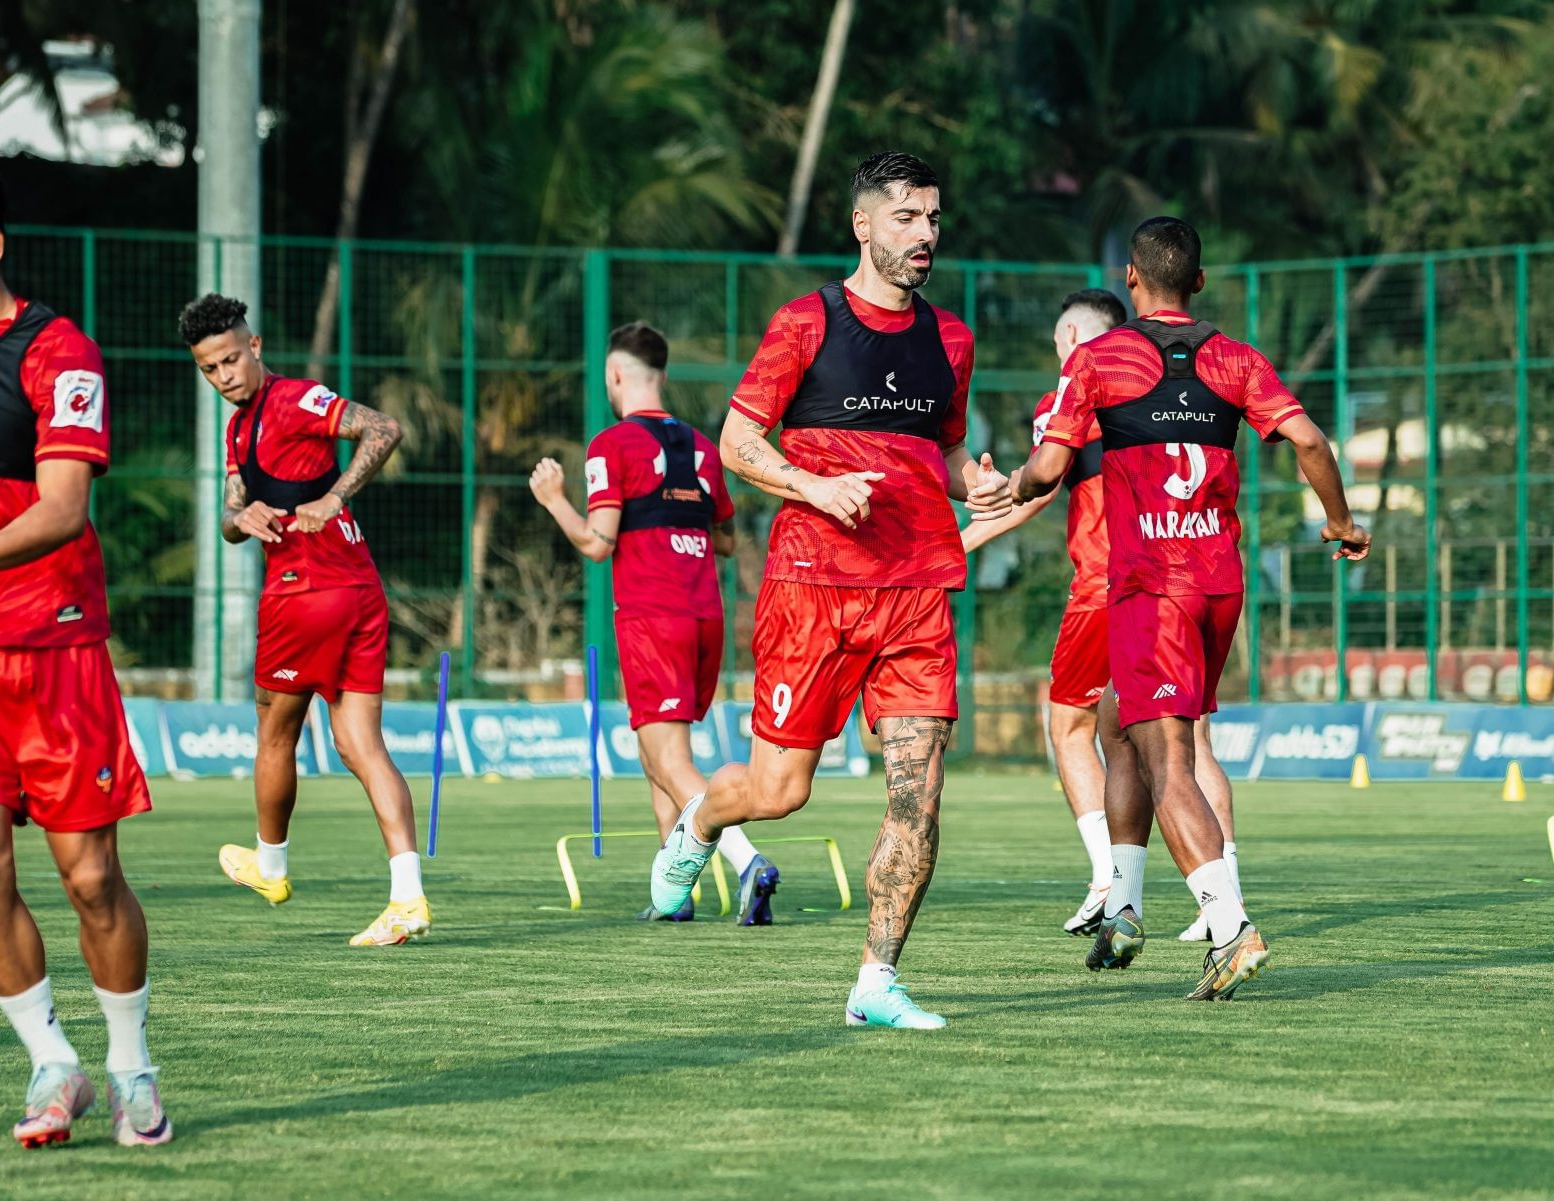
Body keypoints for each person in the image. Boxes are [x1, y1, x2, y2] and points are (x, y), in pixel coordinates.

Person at [647, 151, 1015, 1029]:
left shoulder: (952, 341)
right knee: (780, 790)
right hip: (813, 585)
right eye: (906, 218)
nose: (925, 234)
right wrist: (814, 488)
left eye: (933, 218)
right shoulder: (805, 323)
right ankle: (699, 823)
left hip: (918, 591)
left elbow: (948, 454)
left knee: (917, 796)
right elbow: (737, 441)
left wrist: (982, 482)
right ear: (863, 225)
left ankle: (875, 982)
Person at [1006, 215, 1370, 1000]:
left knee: (1166, 753)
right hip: (1217, 587)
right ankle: (1126, 905)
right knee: (1119, 727)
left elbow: (1050, 463)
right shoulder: (1235, 358)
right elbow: (1309, 441)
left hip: (1151, 587)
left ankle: (1231, 926)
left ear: (1131, 280)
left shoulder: (1101, 361)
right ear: (1198, 282)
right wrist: (1339, 523)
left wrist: (1019, 484)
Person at [0, 151, 168, 1146]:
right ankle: (54, 1065)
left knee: (91, 877)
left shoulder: (61, 352)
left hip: (54, 651)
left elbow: (63, 505)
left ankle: (132, 1063)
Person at [961, 291, 1244, 942]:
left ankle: (1108, 882)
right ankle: (1221, 894)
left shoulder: (1074, 388)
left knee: (1068, 726)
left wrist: (959, 542)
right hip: (1184, 579)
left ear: (1067, 336)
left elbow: (1040, 486)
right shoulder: (1156, 389)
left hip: (1105, 587)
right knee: (1191, 739)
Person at [178, 292, 431, 948]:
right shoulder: (238, 428)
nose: (224, 375)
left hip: (306, 592)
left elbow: (384, 428)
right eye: (210, 368)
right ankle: (407, 897)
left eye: (232, 359)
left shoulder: (293, 399)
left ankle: (272, 867)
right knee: (359, 744)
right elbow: (233, 516)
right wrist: (244, 518)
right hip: (358, 590)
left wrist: (333, 496)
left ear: (254, 346)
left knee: (273, 732)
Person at [528, 322, 780, 924]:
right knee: (654, 753)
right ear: (661, 375)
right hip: (703, 614)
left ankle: (748, 864)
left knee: (669, 758)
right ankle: (676, 895)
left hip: (651, 613)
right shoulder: (701, 445)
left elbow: (596, 543)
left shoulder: (610, 444)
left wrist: (554, 499)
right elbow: (724, 541)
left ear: (614, 376)